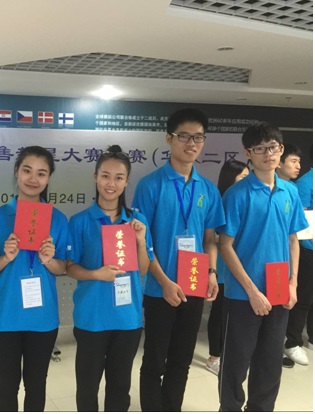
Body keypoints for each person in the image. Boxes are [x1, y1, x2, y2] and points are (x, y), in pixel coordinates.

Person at [132, 108, 225, 411]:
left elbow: (209, 239)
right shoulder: (150, 185)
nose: (191, 143)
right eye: (184, 136)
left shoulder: (208, 189)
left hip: (194, 283)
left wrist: (211, 272)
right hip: (159, 289)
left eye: (198, 137)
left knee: (182, 359)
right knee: (154, 359)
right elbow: (143, 243)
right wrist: (164, 282)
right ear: (169, 138)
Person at [217, 122, 309, 411]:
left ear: (280, 150)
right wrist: (252, 291)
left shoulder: (290, 192)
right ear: (248, 153)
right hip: (243, 294)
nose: (268, 154)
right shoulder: (237, 194)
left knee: (269, 361)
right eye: (260, 149)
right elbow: (225, 246)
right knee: (236, 361)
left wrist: (293, 283)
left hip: (280, 288)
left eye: (273, 147)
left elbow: (293, 240)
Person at [0, 145, 70, 412]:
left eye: (41, 173)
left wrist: (49, 259)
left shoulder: (57, 219)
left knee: (36, 384)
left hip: (42, 317)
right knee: (7, 384)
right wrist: (6, 257)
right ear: (16, 171)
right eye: (27, 170)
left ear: (48, 178)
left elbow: (63, 267)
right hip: (5, 316)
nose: (33, 178)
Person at [66, 145, 153, 412]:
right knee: (87, 387)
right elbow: (70, 267)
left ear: (126, 181)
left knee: (119, 387)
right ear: (95, 177)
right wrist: (96, 274)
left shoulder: (137, 221)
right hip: (91, 317)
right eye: (105, 176)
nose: (111, 183)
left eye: (118, 177)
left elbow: (143, 269)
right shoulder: (80, 221)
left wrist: (140, 241)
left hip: (127, 319)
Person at [205, 160, 249, 376]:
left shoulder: (244, 199)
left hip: (240, 266)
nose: (247, 181)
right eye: (243, 177)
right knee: (219, 313)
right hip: (222, 267)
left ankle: (227, 353)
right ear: (230, 178)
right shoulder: (222, 201)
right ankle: (214, 357)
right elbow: (211, 237)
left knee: (233, 314)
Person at [284, 145, 312, 367]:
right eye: (293, 161)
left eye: (299, 162)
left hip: (299, 248)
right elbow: (300, 225)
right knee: (301, 298)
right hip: (305, 247)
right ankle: (292, 341)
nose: (298, 166)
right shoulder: (305, 183)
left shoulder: (293, 186)